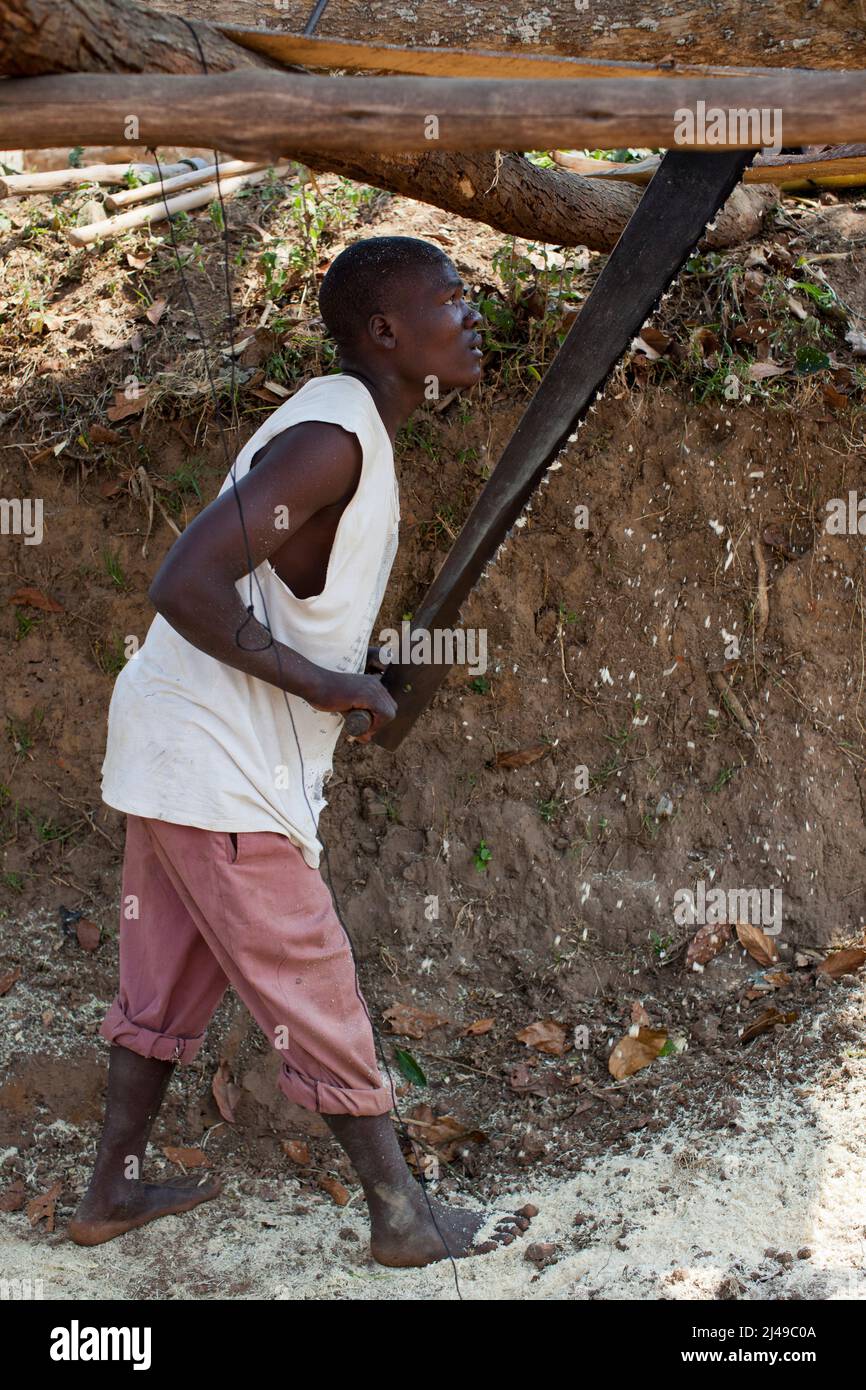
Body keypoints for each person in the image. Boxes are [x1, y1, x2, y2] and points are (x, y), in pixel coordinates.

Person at [69, 235, 533, 1267]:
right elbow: (185, 581)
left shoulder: (350, 428)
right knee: (305, 972)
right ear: (383, 332)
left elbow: (274, 597)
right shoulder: (330, 440)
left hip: (185, 745)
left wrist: (354, 663)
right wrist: (330, 684)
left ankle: (109, 1189)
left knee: (166, 977)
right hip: (214, 758)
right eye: (447, 300)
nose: (469, 315)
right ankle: (401, 1215)